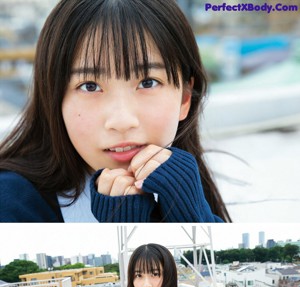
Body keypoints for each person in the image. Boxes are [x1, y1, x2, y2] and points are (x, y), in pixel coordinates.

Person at [0, 0, 230, 223]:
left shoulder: (187, 185)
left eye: (148, 82)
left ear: (185, 98)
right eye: (89, 86)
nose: (122, 121)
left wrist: (194, 215)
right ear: (54, 99)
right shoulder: (10, 204)